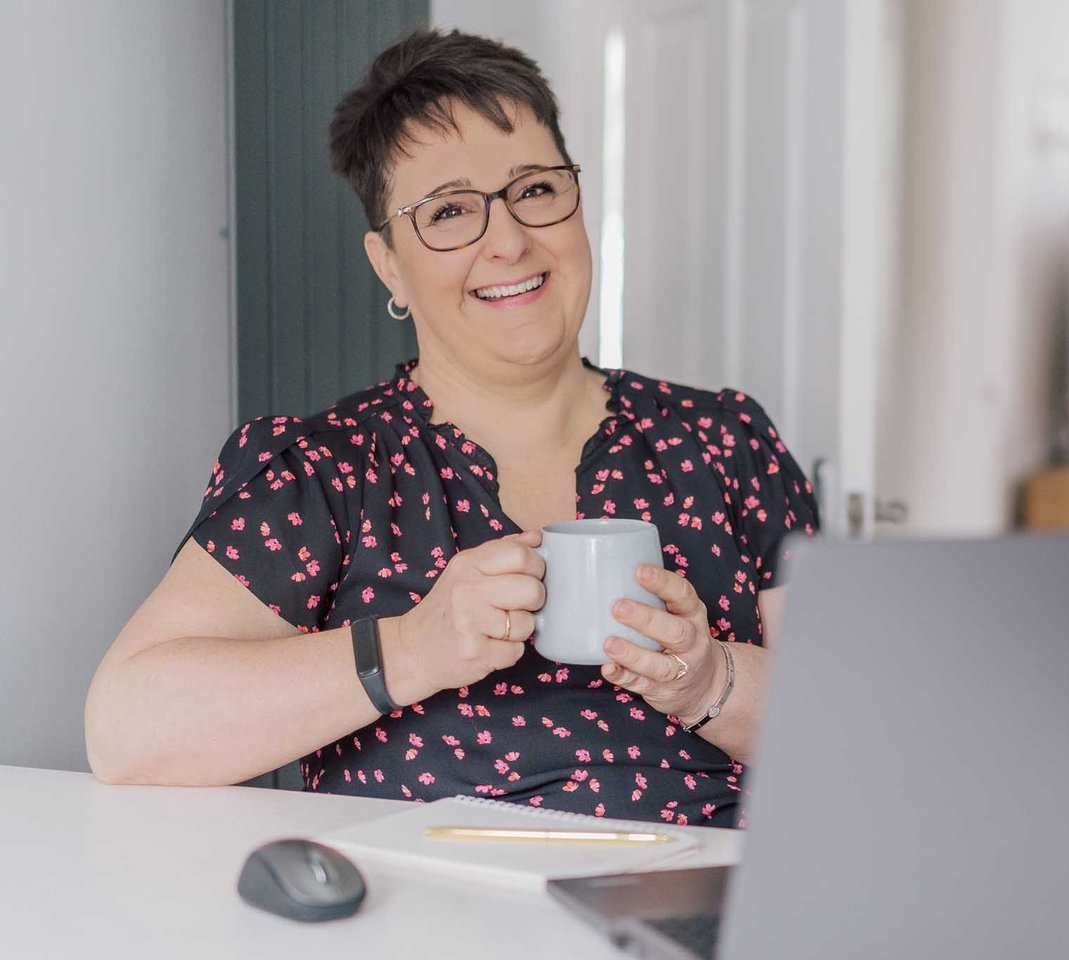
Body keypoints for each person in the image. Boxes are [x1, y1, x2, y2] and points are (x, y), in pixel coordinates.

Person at [83, 29, 817, 829]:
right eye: (450, 212)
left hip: (697, 913)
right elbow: (127, 728)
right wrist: (409, 649)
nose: (508, 241)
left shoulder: (725, 442)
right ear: (389, 263)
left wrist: (710, 683)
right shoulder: (327, 472)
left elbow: (856, 731)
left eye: (534, 190)